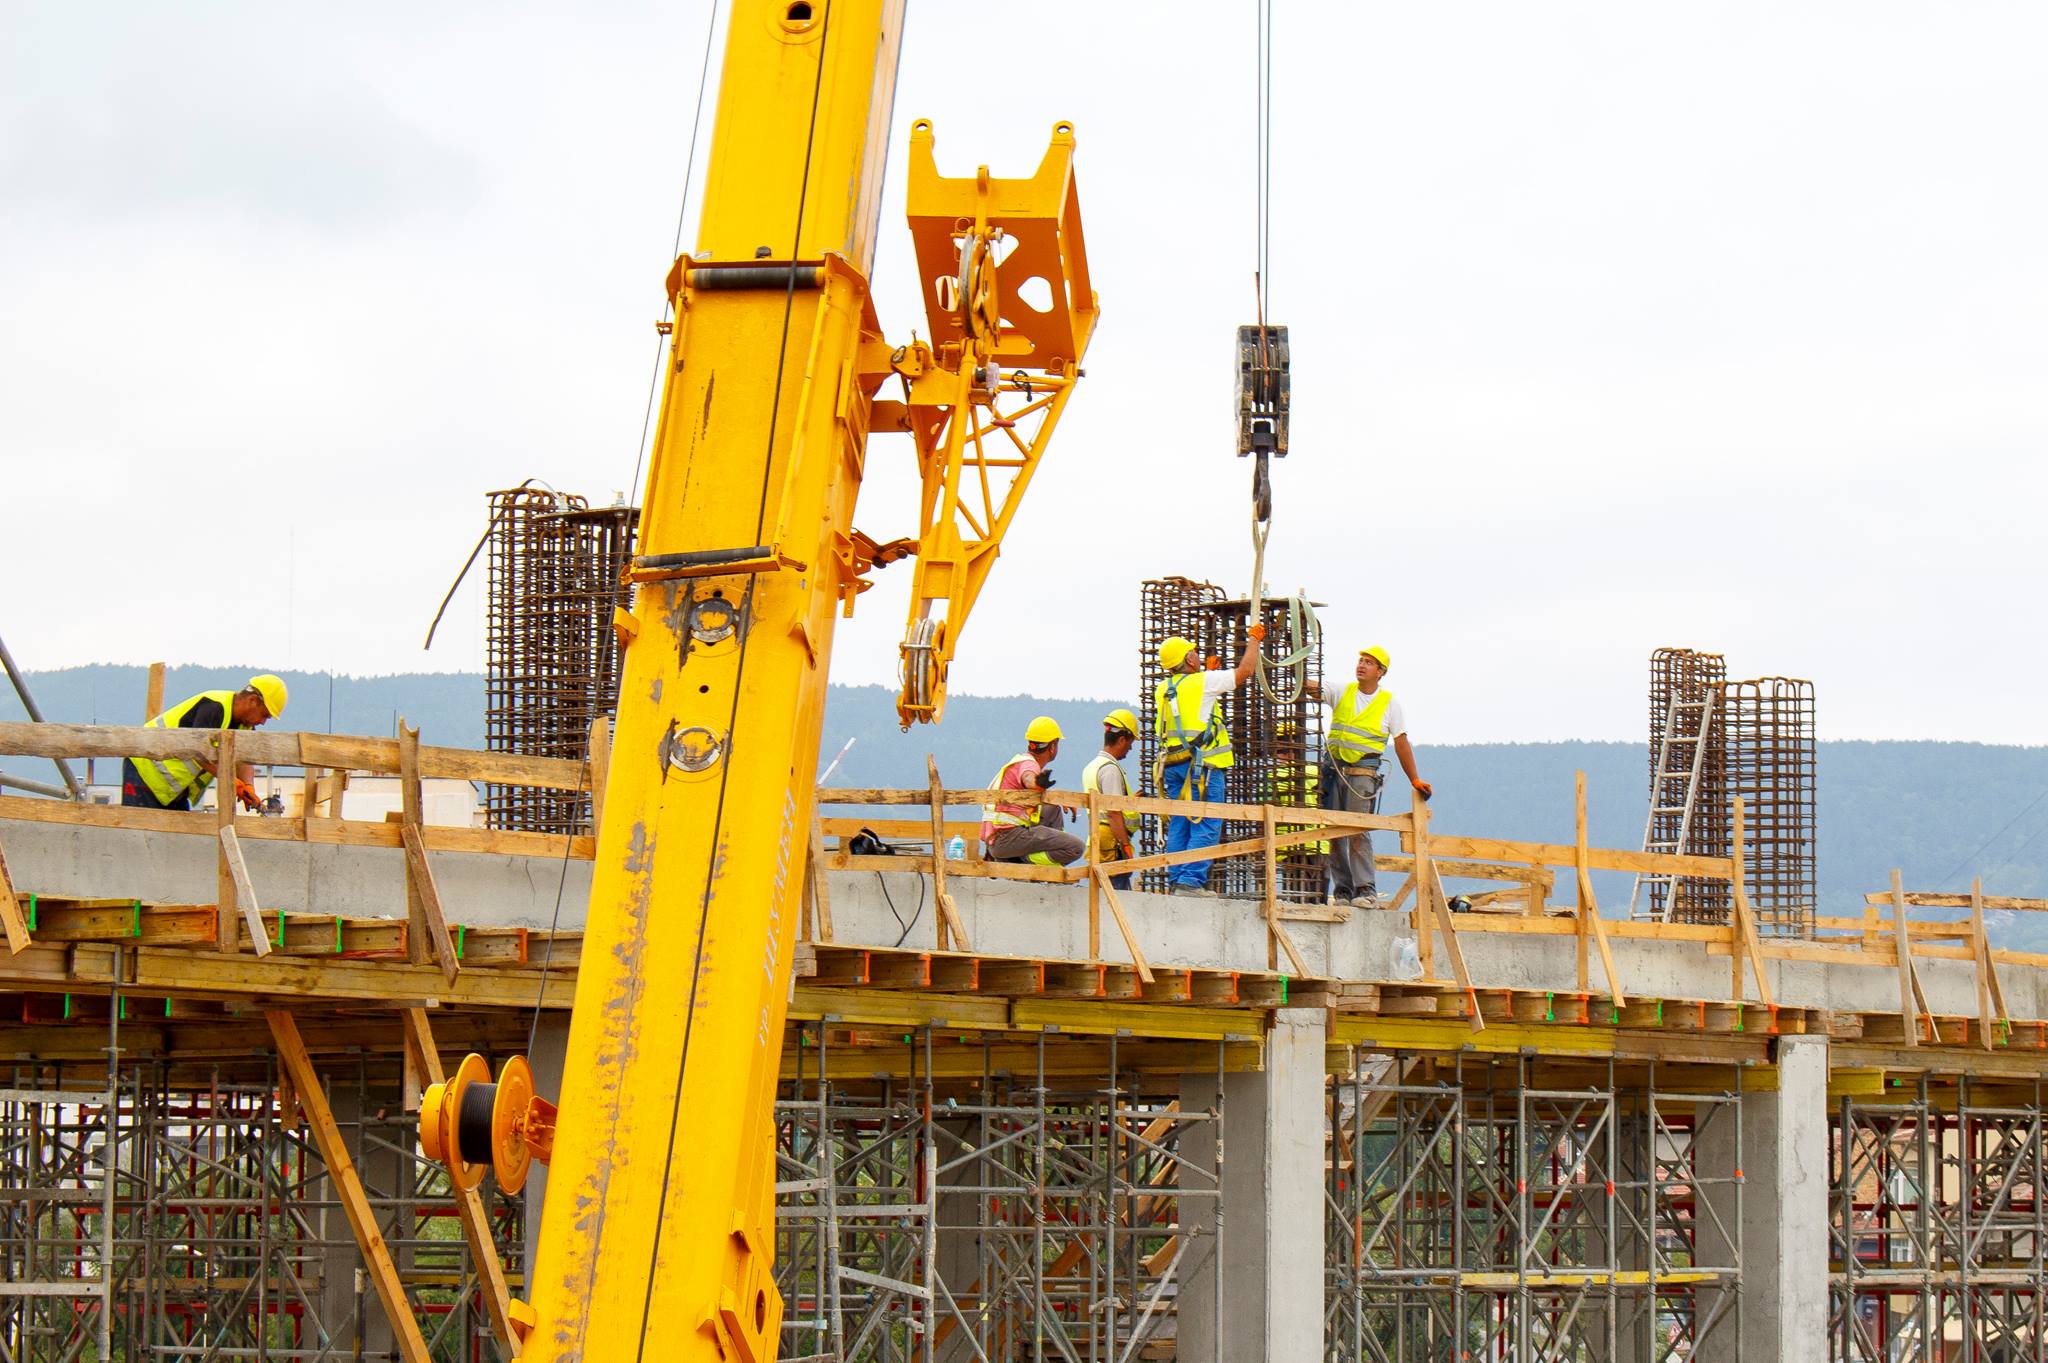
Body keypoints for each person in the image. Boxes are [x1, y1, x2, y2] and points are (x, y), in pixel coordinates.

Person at [1310, 646, 1431, 907]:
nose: (1361, 665)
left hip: (1362, 774)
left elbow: (1401, 742)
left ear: (1380, 671)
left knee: (1358, 830)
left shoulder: (1389, 704)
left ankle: (1365, 890)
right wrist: (1294, 667)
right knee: (1333, 831)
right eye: (1360, 660)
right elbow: (1310, 687)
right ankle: (1342, 891)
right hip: (1334, 771)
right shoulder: (1342, 692)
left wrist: (1414, 778)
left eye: (1368, 662)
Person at [1153, 625, 1263, 896]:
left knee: (1180, 823)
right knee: (1207, 822)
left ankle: (1178, 879)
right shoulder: (1203, 683)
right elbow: (1245, 671)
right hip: (1202, 769)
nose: (1198, 655)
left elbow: (1193, 707)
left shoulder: (1164, 688)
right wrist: (1254, 640)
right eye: (1194, 653)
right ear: (1189, 660)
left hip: (1174, 766)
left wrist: (1208, 674)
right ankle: (1190, 882)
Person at [123, 675, 289, 812]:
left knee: (173, 840)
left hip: (171, 788)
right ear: (252, 700)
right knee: (138, 833)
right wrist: (231, 781)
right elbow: (198, 752)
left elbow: (243, 760)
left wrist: (247, 786)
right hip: (144, 770)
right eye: (264, 715)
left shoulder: (244, 726)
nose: (263, 722)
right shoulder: (214, 707)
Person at [980, 716, 1084, 866]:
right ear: (1053, 746)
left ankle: (1019, 857)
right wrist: (1037, 783)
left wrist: (1059, 798)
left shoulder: (1020, 761)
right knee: (1075, 848)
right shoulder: (1030, 765)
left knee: (1052, 808)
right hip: (1006, 838)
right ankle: (1024, 861)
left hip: (998, 840)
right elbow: (1029, 779)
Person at [1082, 709, 1141, 888]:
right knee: (1118, 893)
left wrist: (1130, 800)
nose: (1130, 749)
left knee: (1100, 893)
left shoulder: (1092, 766)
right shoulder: (1110, 769)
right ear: (1121, 739)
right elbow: (1113, 812)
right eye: (1130, 743)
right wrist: (1125, 845)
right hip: (1112, 842)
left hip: (1097, 840)